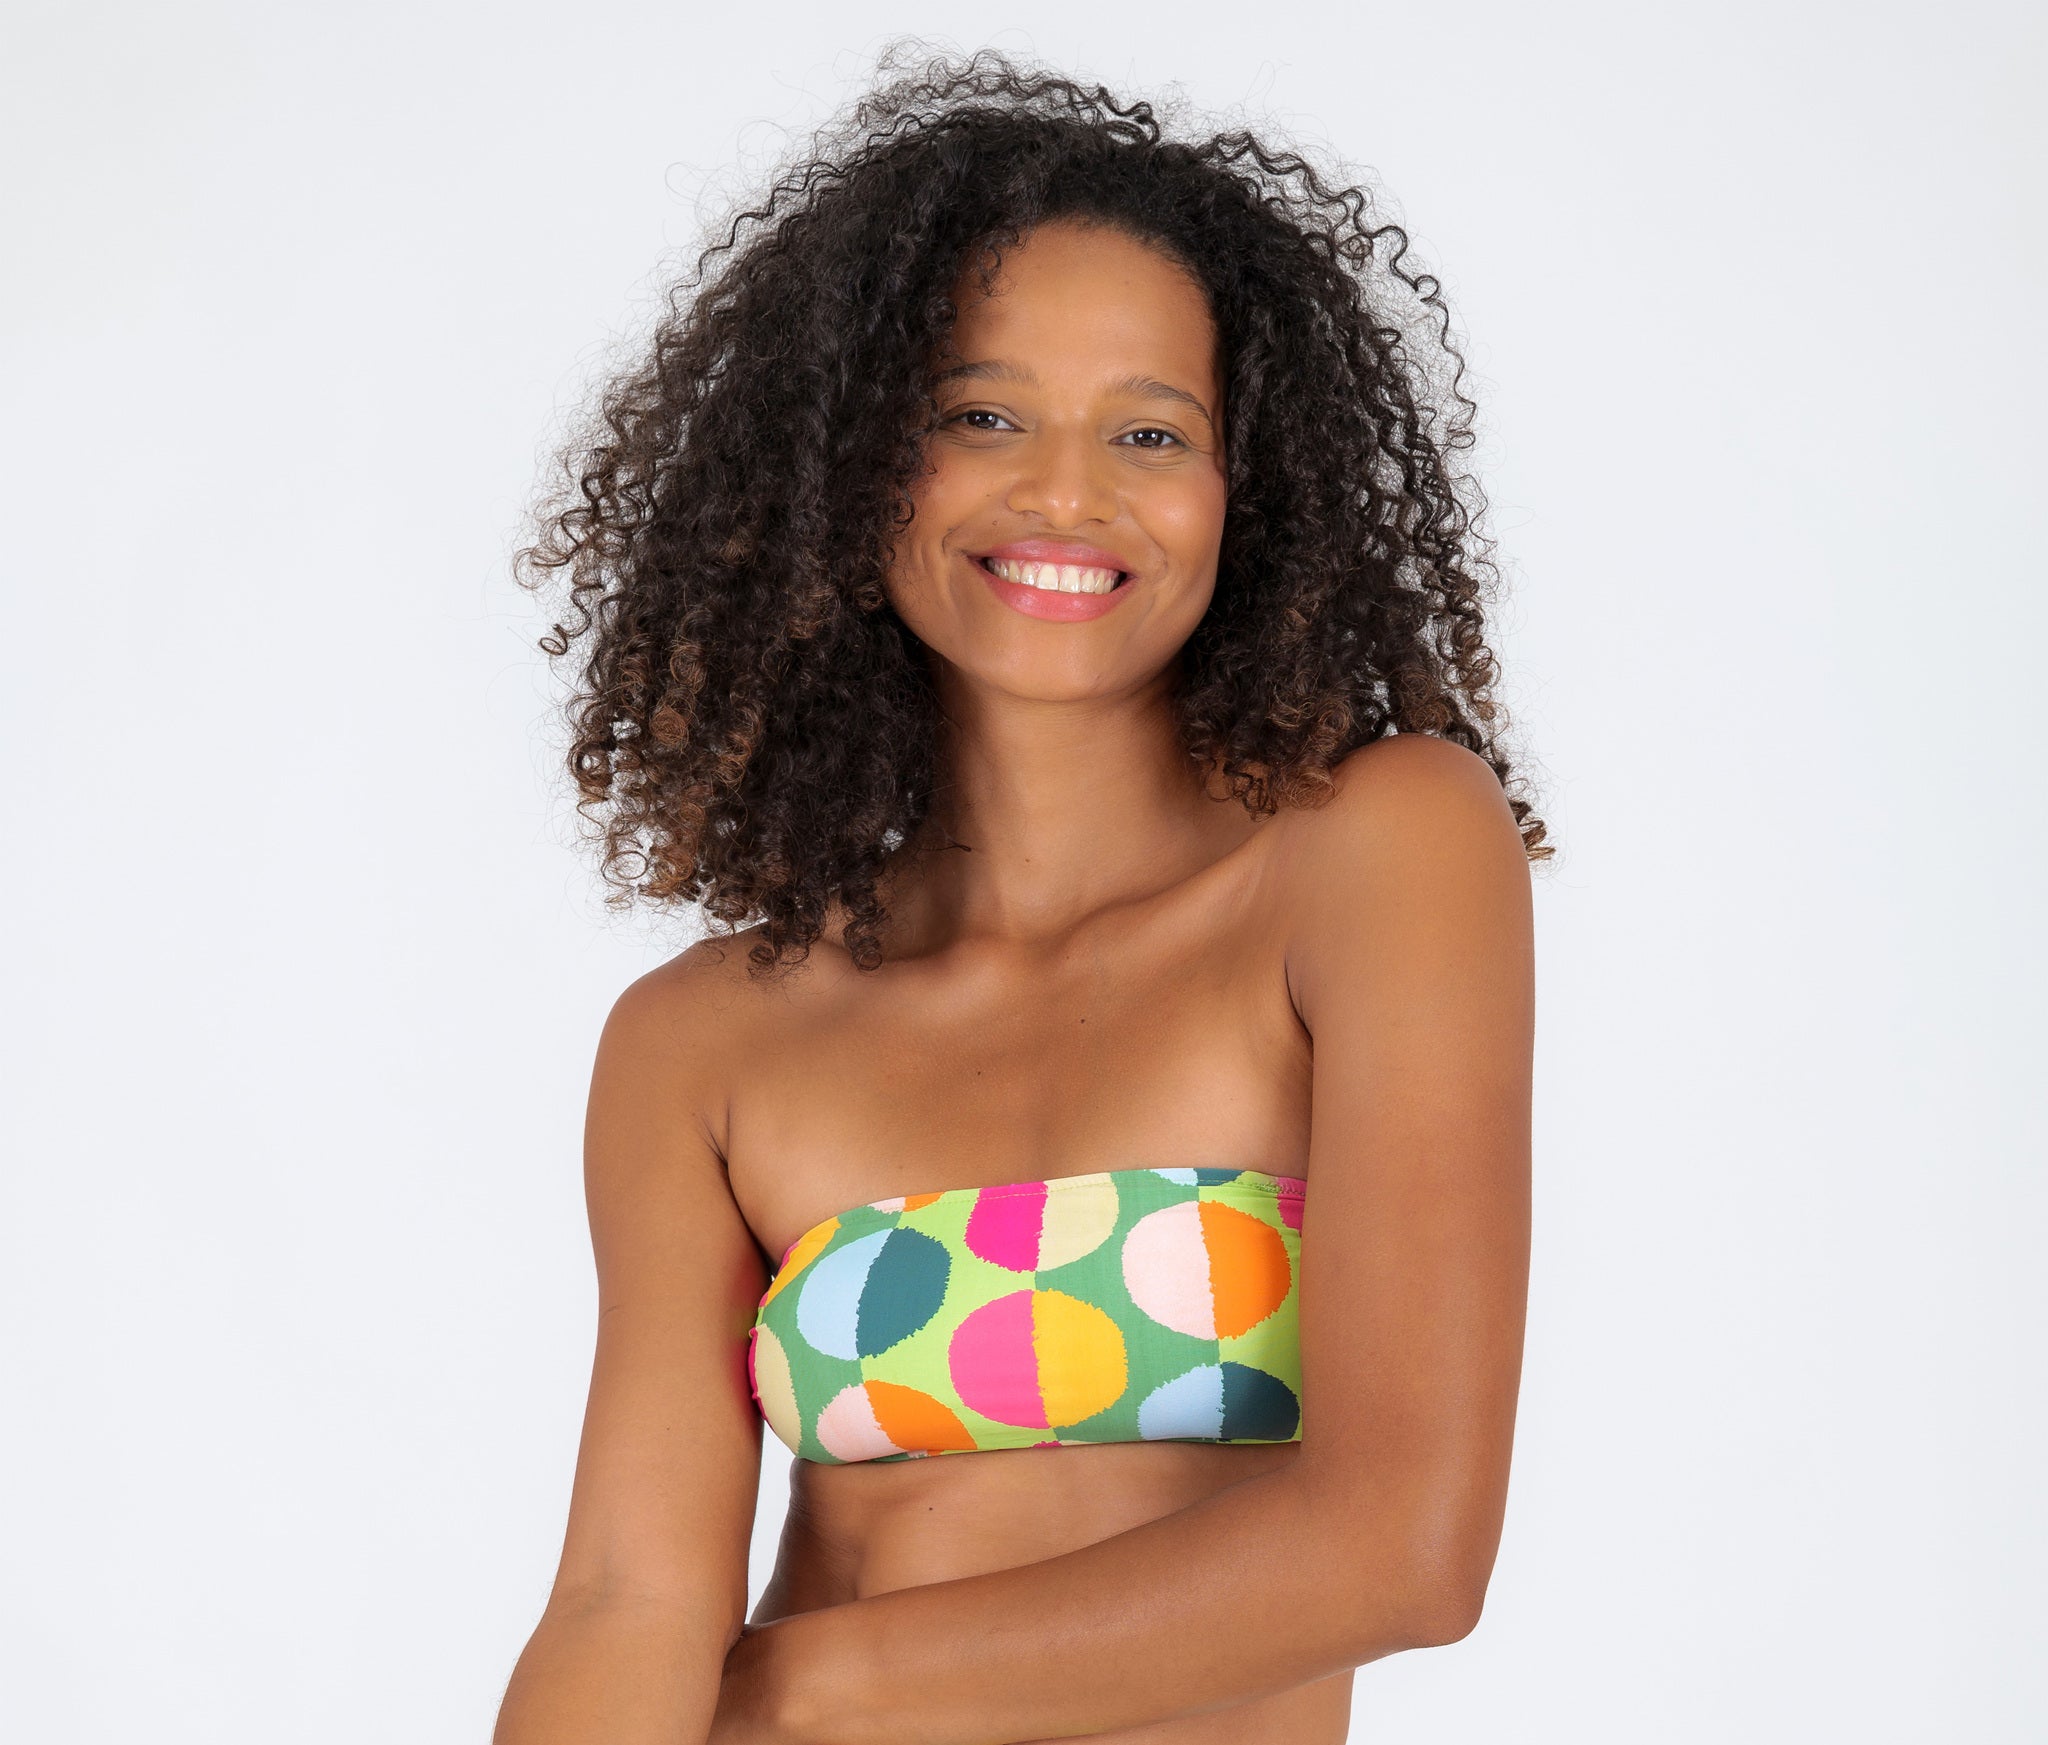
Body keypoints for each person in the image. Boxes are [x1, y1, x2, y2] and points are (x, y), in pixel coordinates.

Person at [494, 43, 1543, 1745]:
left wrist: (795, 1693)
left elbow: (1401, 1547)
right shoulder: (700, 1042)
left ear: (1248, 490)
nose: (1066, 490)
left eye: (1152, 429)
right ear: (850, 467)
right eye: (981, 416)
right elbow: (625, 1598)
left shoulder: (1377, 851)